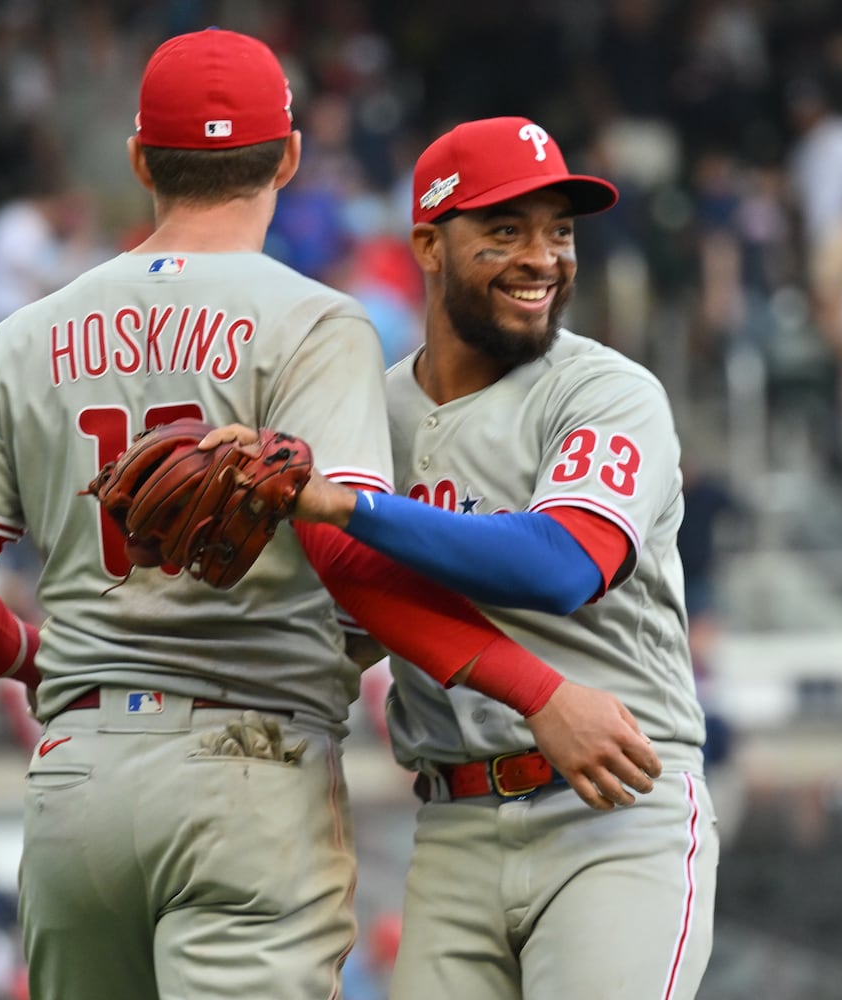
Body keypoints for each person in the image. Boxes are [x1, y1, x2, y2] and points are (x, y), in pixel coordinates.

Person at [0, 31, 656, 1000]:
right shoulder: (313, 321)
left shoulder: (24, 336)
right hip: (245, 767)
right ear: (289, 158)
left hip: (78, 777)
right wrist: (538, 690)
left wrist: (51, 665)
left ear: (140, 160)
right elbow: (349, 557)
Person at [281, 116, 719, 999]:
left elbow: (561, 565)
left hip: (616, 806)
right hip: (452, 823)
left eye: (558, 231)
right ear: (429, 245)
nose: (542, 257)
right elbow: (349, 617)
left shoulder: (603, 390)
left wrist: (354, 509)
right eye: (505, 231)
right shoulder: (371, 411)